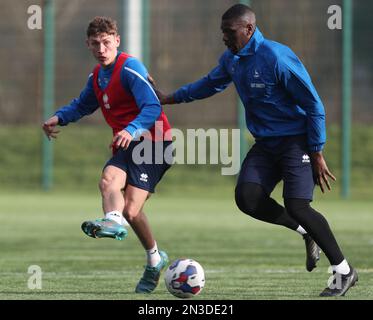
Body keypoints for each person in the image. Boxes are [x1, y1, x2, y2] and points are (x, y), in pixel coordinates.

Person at [151, 4, 358, 297]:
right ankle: (305, 232)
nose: (224, 37)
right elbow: (209, 84)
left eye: (229, 31)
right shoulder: (232, 59)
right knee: (247, 198)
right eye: (223, 31)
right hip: (266, 144)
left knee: (298, 205)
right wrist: (170, 98)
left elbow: (314, 105)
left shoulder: (275, 58)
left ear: (248, 29)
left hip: (297, 140)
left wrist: (316, 150)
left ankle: (345, 272)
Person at [42, 16, 172, 294]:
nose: (101, 49)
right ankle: (118, 225)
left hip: (154, 142)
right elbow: (83, 104)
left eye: (106, 42)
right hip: (127, 144)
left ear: (116, 41)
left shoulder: (130, 68)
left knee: (132, 209)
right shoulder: (97, 76)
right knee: (108, 181)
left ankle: (151, 256)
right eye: (95, 44)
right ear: (88, 45)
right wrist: (59, 117)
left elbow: (152, 106)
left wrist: (132, 128)